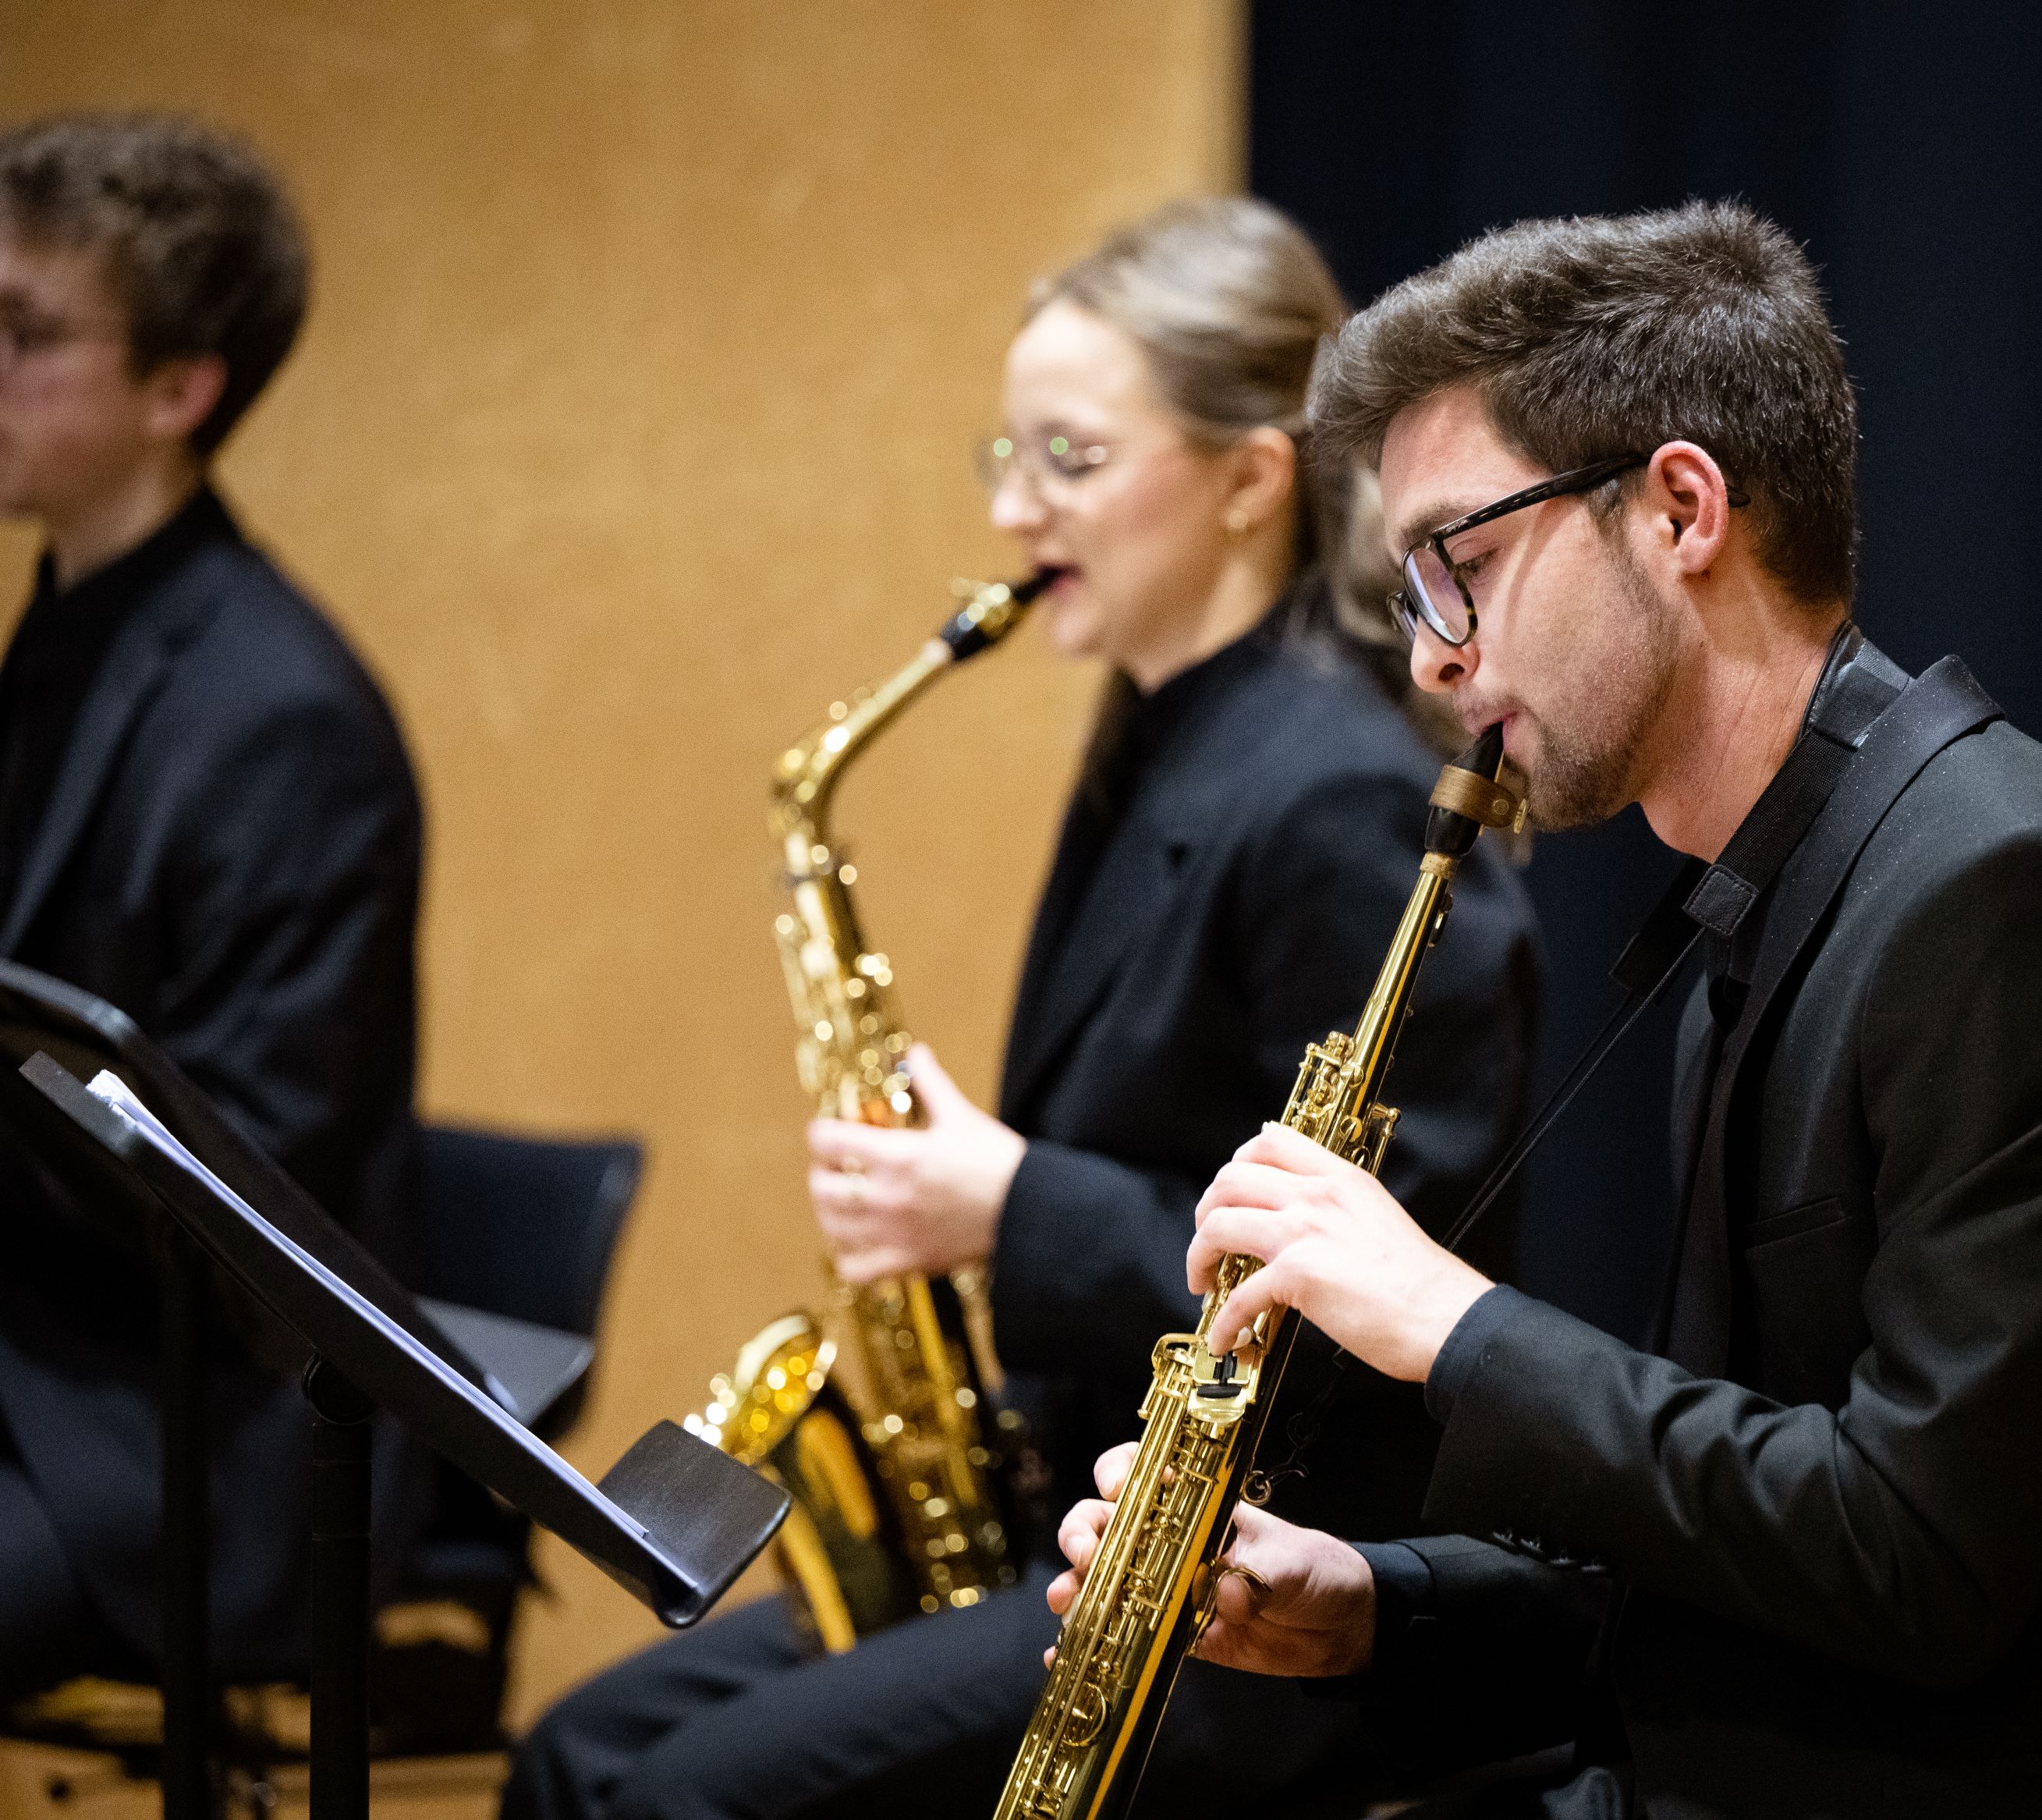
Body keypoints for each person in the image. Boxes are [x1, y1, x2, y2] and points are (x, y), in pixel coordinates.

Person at [1051, 201, 2042, 1815]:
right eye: (1412, 590)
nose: (1432, 660)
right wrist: (1376, 1609)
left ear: (1681, 508)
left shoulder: (2022, 904)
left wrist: (1452, 1322)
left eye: (1462, 564)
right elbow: (1749, 1550)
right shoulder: (1790, 896)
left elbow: (1916, 1559)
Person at [505, 198, 1540, 1820]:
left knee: (680, 1801)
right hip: (1076, 1513)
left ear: (1248, 479)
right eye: (1007, 453)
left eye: (1069, 457)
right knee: (575, 1755)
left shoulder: (1337, 796)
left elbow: (1378, 1306)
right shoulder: (1161, 732)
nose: (1008, 509)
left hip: (1251, 1577)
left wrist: (1004, 1204)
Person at [0, 113, 426, 1693]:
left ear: (178, 391)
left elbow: (229, 1193)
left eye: (25, 333)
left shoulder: (279, 717)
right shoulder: (68, 632)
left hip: (164, 1432)